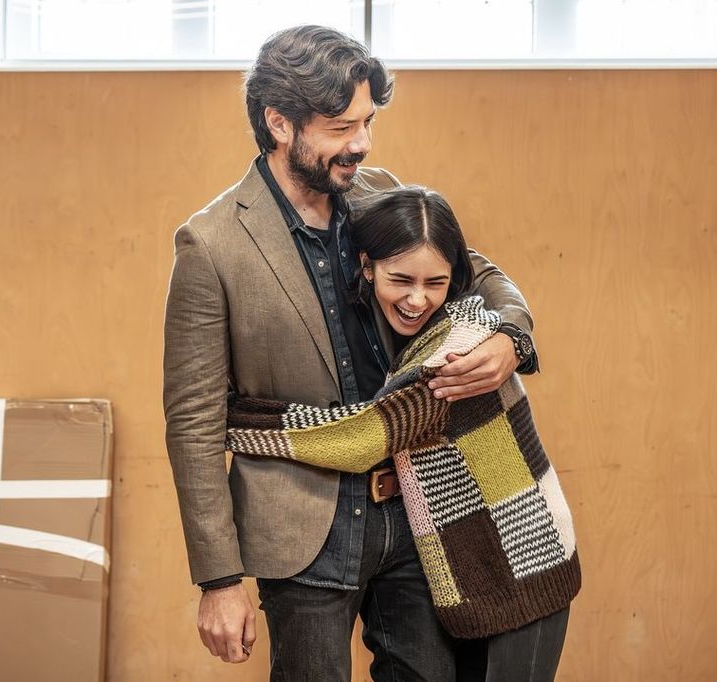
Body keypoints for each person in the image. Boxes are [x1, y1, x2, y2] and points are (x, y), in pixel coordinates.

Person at [163, 25, 540, 681]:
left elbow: (479, 274)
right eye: (342, 127)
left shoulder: (377, 190)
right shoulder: (210, 244)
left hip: (417, 510)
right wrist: (218, 579)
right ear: (279, 122)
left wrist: (512, 336)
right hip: (301, 528)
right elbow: (194, 421)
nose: (362, 143)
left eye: (367, 122)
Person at [225, 186, 581, 682]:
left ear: (455, 276)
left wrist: (241, 421)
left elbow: (360, 439)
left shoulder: (455, 347)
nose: (418, 299)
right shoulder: (446, 321)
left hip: (524, 561)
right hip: (486, 558)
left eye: (436, 282)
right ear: (367, 267)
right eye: (402, 280)